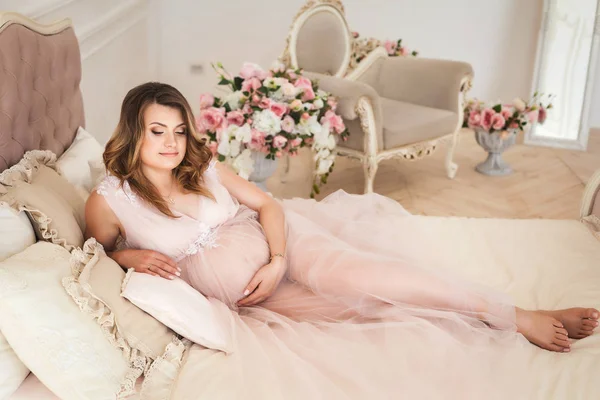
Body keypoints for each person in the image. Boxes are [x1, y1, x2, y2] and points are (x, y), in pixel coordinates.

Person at [85, 82, 598, 398]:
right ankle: (489, 322)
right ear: (135, 133)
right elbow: (102, 253)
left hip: (284, 248)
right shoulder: (109, 200)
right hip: (256, 301)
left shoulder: (204, 167)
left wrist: (278, 258)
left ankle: (516, 314)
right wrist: (131, 253)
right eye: (158, 131)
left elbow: (268, 205)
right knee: (372, 313)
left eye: (179, 130)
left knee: (371, 275)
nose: (173, 143)